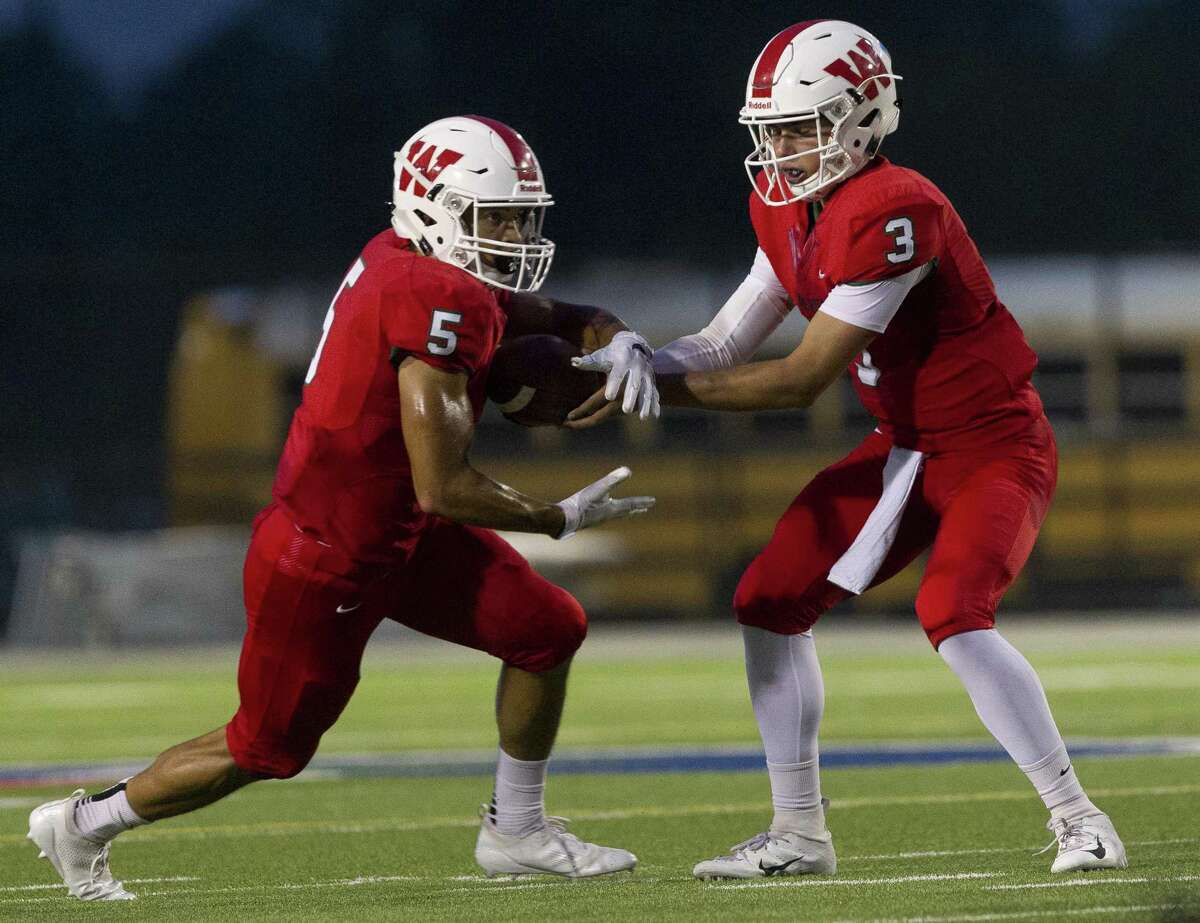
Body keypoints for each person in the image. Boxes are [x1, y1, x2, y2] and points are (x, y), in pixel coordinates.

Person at [29, 115, 659, 901]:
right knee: (266, 748)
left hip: (399, 532)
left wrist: (624, 337)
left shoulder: (408, 255)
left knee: (548, 627)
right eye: (494, 216)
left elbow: (556, 314)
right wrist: (555, 515)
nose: (512, 234)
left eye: (521, 217)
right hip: (327, 556)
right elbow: (444, 485)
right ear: (435, 206)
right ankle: (84, 822)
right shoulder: (430, 291)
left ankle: (518, 829)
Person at [573, 19, 1127, 880]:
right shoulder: (786, 207)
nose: (783, 147)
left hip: (992, 445)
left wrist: (657, 393)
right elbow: (724, 342)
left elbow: (800, 377)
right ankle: (799, 833)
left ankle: (1080, 818)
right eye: (774, 129)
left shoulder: (895, 207)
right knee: (766, 597)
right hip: (906, 444)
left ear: (864, 116)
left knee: (952, 608)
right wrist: (641, 357)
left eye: (801, 126)